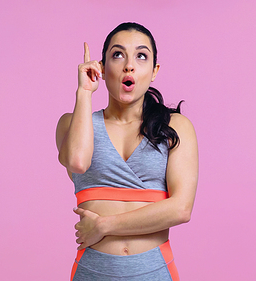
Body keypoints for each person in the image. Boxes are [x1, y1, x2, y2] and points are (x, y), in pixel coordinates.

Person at [55, 22, 198, 281]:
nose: (129, 65)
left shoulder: (175, 127)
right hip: (92, 272)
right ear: (102, 67)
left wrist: (103, 226)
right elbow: (77, 162)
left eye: (141, 56)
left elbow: (180, 209)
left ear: (154, 71)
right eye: (117, 55)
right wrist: (84, 93)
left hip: (154, 271)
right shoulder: (71, 123)